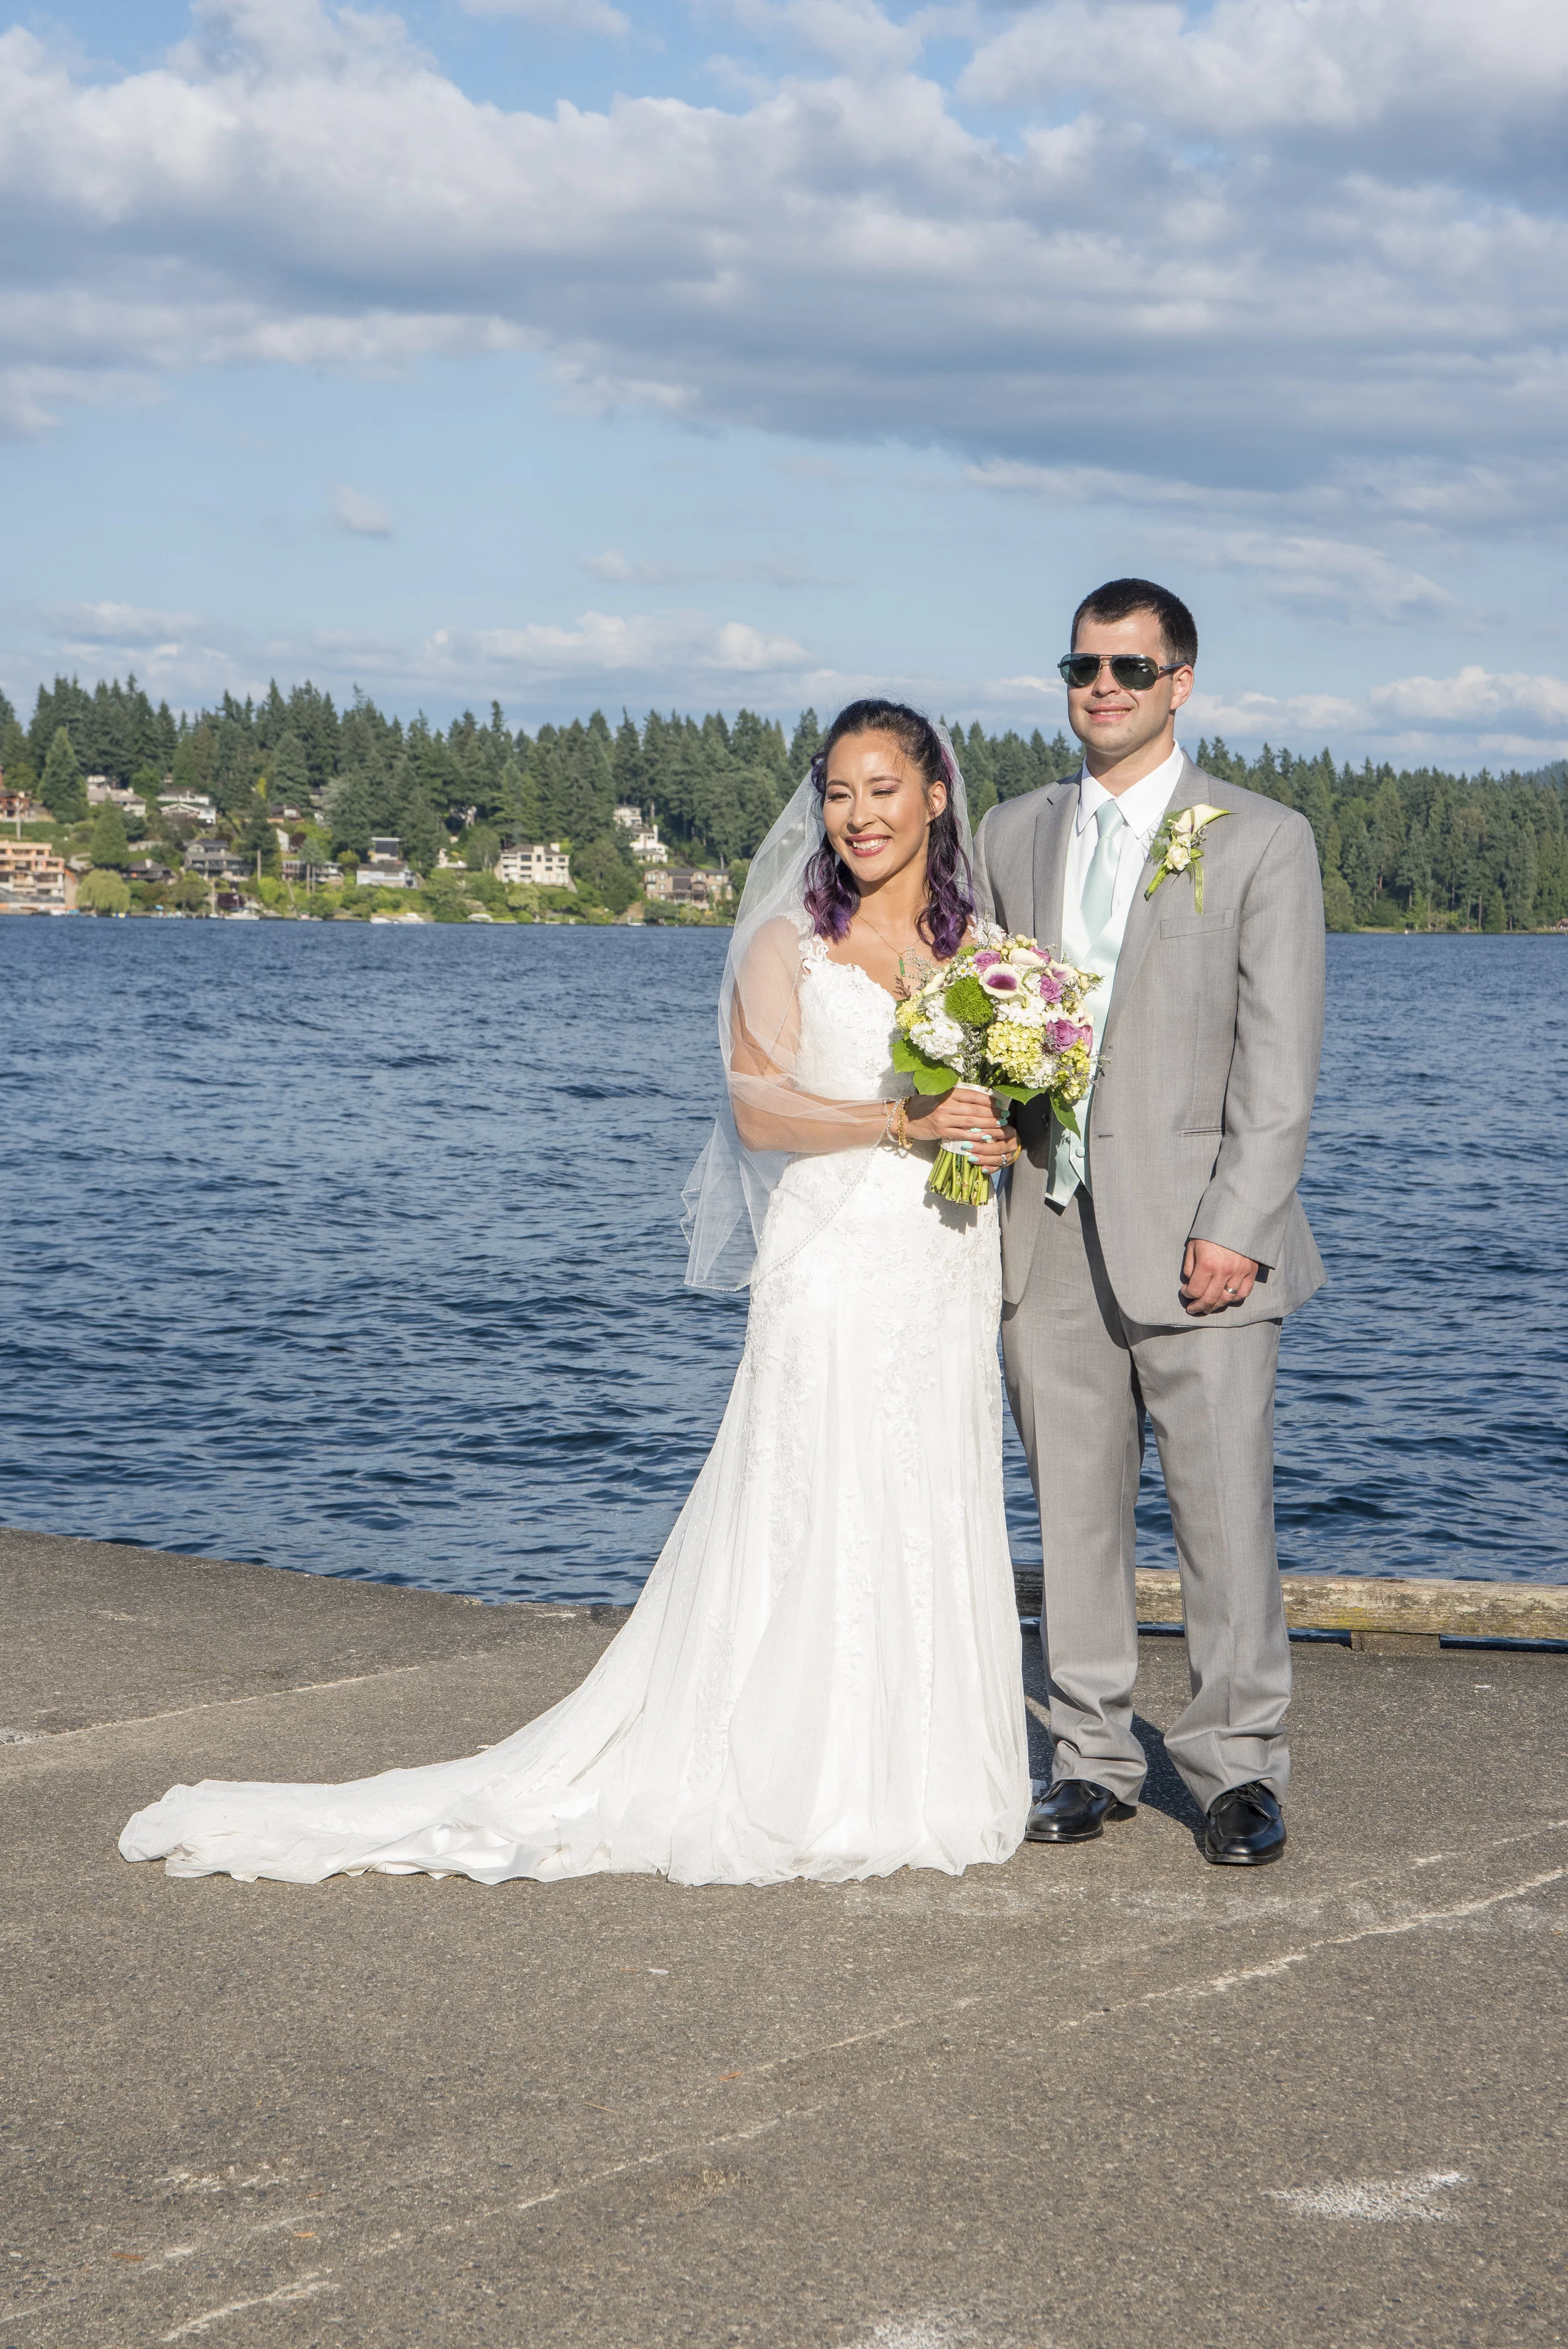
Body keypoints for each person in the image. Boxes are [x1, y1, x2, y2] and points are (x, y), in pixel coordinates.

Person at [121, 702, 1032, 1889]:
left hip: (943, 1258)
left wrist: (984, 1128)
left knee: (925, 1479)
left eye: (882, 789)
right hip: (836, 1259)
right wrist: (902, 1121)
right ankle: (798, 1767)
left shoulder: (986, 961)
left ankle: (924, 1766)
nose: (860, 816)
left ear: (934, 797)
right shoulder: (786, 946)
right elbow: (761, 1110)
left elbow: (995, 1098)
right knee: (825, 1485)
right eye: (841, 793)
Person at [972, 578, 1325, 1866]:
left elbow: (1277, 1067)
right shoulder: (1009, 834)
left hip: (1202, 1242)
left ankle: (1236, 1770)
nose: (1100, 688)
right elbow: (988, 1022)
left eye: (1127, 668)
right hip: (1046, 1226)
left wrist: (1237, 1220)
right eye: (1081, 666)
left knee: (1221, 1507)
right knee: (1072, 1508)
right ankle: (1091, 1758)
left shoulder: (1256, 838)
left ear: (1179, 683)